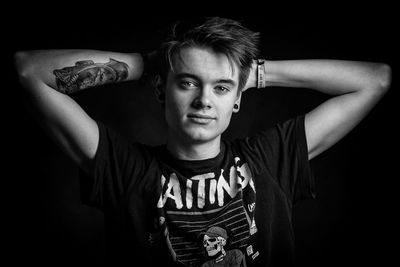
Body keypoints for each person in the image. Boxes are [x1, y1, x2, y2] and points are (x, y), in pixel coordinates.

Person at [14, 16, 391, 266]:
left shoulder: (270, 159)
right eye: (188, 81)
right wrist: (151, 63)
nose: (204, 100)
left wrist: (251, 72)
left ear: (237, 98)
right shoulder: (125, 169)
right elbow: (29, 70)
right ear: (163, 90)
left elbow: (375, 79)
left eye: (222, 87)